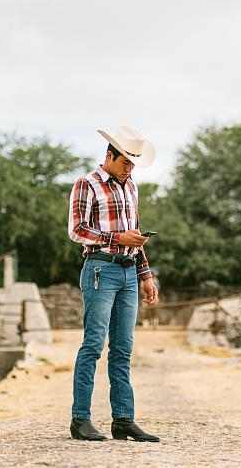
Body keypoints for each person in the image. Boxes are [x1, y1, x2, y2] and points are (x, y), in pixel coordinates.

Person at [67, 125, 161, 442]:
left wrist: (145, 274)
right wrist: (115, 237)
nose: (129, 169)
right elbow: (77, 230)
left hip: (128, 270)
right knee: (93, 345)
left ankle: (123, 420)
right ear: (109, 155)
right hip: (99, 270)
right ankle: (80, 419)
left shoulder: (131, 187)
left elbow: (133, 234)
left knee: (122, 349)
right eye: (125, 162)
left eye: (133, 164)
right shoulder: (87, 184)